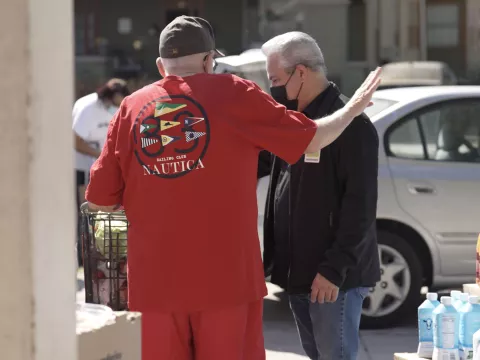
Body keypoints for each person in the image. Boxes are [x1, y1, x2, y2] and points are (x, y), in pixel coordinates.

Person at [85, 16, 381, 360]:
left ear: (160, 65)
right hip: (227, 282)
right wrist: (353, 108)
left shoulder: (130, 108)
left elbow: (100, 201)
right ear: (210, 60)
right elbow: (313, 137)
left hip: (154, 285)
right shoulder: (236, 94)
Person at [261, 32, 381, 360]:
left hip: (330, 279)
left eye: (275, 79)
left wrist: (333, 269)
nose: (271, 87)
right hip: (298, 273)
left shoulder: (351, 125)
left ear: (300, 73)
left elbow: (361, 206)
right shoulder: (290, 122)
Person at [72, 78, 130, 265]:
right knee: (87, 209)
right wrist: (101, 155)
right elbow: (76, 141)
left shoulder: (112, 110)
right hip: (80, 163)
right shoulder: (87, 108)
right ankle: (84, 254)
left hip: (100, 163)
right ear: (111, 95)